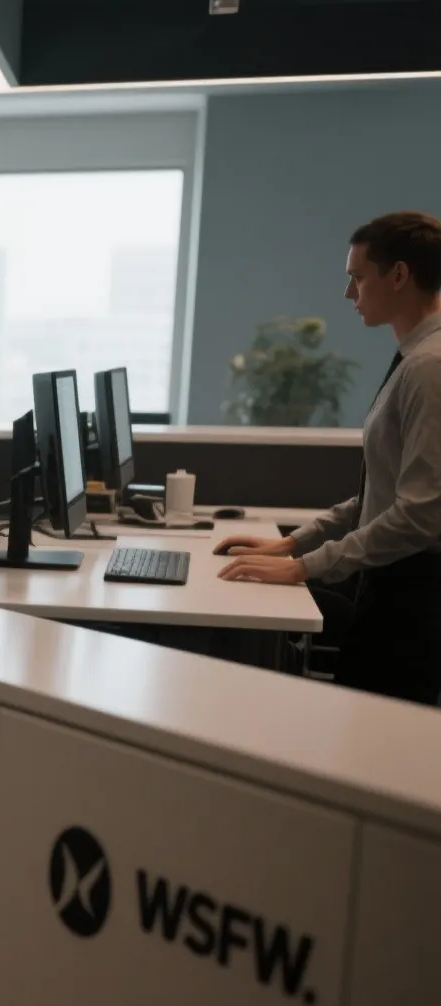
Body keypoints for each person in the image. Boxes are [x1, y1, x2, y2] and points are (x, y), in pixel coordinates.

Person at [218, 210, 441, 706]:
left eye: (357, 277)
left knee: (374, 743)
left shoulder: (430, 367)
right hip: (390, 585)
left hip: (412, 601)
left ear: (399, 275)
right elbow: (380, 492)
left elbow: (420, 515)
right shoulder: (414, 357)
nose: (347, 293)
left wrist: (305, 566)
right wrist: (293, 543)